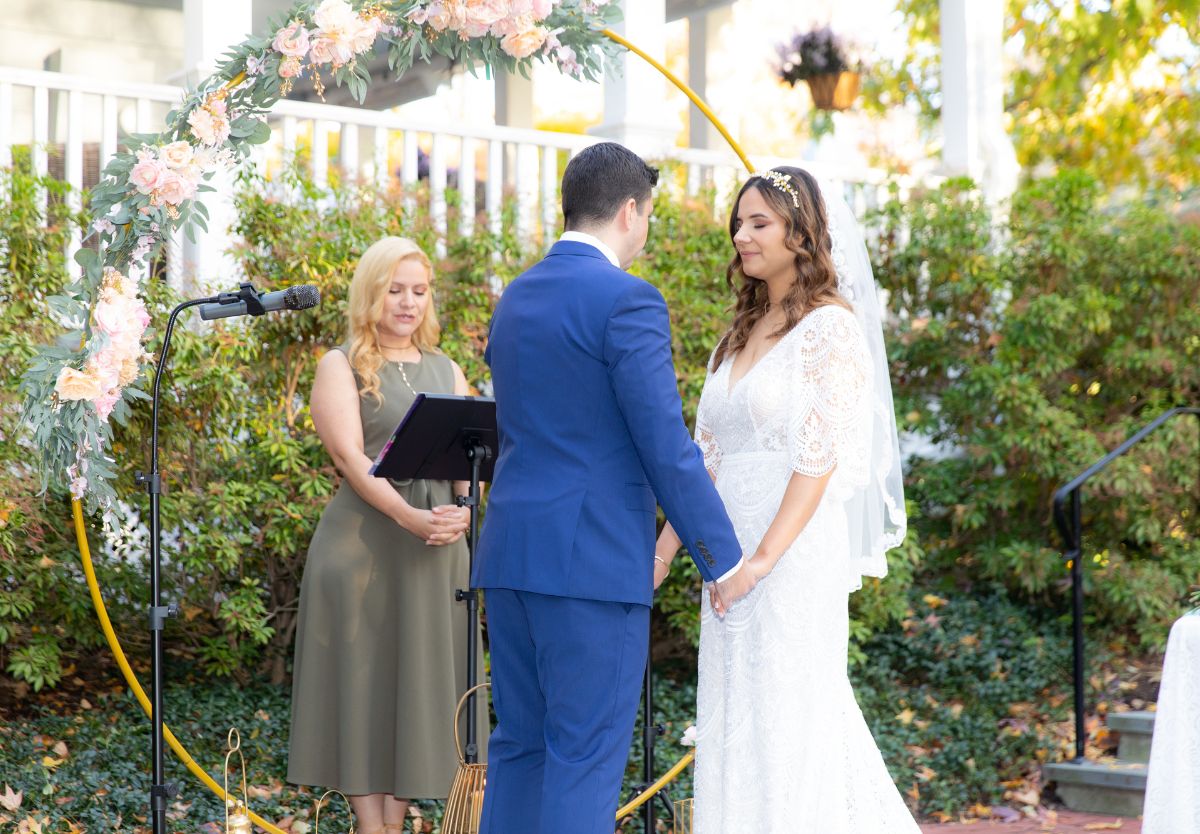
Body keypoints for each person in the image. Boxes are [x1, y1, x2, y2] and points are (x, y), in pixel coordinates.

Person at [472, 141, 758, 834]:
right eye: (650, 214)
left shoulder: (516, 297)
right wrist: (725, 558)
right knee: (584, 758)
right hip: (591, 565)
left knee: (519, 749)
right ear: (631, 210)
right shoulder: (628, 300)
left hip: (511, 556)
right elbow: (665, 444)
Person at [653, 167, 916, 832]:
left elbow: (817, 459)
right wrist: (662, 555)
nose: (741, 235)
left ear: (801, 233)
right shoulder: (735, 335)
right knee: (733, 715)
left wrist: (760, 563)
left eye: (758, 223)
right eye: (738, 223)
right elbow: (701, 459)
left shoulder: (830, 330)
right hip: (725, 559)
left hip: (789, 559)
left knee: (792, 715)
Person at [287, 237, 485, 834]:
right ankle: (370, 826)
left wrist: (465, 510)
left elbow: (469, 459)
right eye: (394, 290)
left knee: (417, 683)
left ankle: (390, 826)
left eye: (419, 292)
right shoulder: (339, 364)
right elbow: (351, 460)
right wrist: (413, 518)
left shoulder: (447, 368)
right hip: (364, 548)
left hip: (434, 554)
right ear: (370, 293)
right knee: (364, 682)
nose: (407, 303)